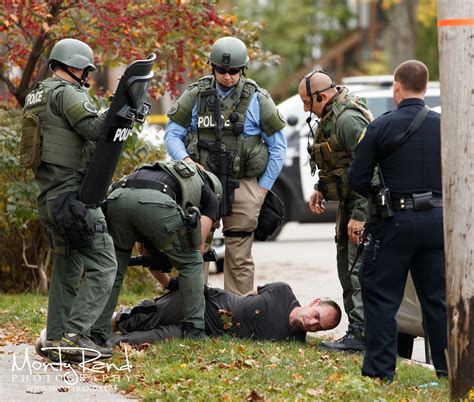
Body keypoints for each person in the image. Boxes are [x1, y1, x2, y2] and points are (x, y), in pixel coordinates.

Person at [348, 60, 447, 381]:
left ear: (397, 87)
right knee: (436, 300)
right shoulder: (443, 126)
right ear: (424, 86)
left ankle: (379, 373)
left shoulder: (382, 126)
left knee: (379, 293)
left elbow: (357, 178)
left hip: (396, 220)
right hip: (437, 221)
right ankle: (449, 372)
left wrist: (381, 193)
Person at [164, 36, 287, 295]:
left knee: (239, 251)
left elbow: (278, 146)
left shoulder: (258, 98)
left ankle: (239, 311)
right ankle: (193, 309)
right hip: (202, 183)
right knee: (195, 246)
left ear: (242, 69)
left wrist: (262, 190)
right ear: (212, 67)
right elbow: (172, 133)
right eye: (222, 70)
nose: (228, 76)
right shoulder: (196, 94)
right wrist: (186, 161)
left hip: (243, 184)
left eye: (233, 71)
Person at [22, 38, 117, 361]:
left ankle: (57, 338)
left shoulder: (38, 94)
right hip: (75, 197)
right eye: (84, 68)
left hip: (50, 197)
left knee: (68, 263)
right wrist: (119, 109)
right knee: (105, 263)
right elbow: (93, 128)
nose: (86, 74)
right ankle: (76, 335)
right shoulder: (67, 93)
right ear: (71, 66)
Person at [88, 160, 222, 342]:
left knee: (115, 269)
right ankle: (194, 331)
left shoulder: (163, 171)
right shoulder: (210, 197)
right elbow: (195, 249)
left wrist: (168, 283)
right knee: (190, 262)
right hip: (154, 202)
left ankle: (98, 332)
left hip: (117, 197)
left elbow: (147, 255)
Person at [298, 71, 372, 351]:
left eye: (308, 102)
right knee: (346, 267)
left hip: (361, 205)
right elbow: (338, 160)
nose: (306, 108)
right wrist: (321, 187)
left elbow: (371, 167)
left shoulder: (348, 119)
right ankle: (357, 331)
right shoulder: (331, 118)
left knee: (355, 269)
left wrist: (361, 216)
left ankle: (362, 335)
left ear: (323, 97)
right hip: (348, 203)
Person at [108, 282, 341, 345]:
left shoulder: (294, 341)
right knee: (141, 317)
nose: (312, 323)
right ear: (315, 302)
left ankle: (100, 346)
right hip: (205, 302)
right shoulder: (283, 291)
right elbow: (250, 293)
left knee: (138, 340)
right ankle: (96, 328)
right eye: (317, 316)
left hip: (200, 333)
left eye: (319, 328)